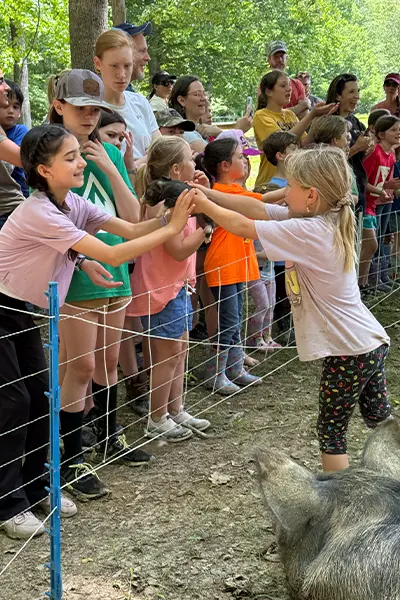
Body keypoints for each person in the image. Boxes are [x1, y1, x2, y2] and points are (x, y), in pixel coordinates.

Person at [0, 124, 193, 536]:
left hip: (19, 308)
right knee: (14, 401)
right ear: (43, 170)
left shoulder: (71, 202)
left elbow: (131, 229)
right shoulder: (39, 211)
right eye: (70, 158)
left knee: (40, 395)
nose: (80, 163)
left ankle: (36, 487)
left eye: (79, 155)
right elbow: (112, 253)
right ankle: (8, 503)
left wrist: (171, 213)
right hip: (1, 307)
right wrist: (171, 228)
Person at [192, 145, 391, 473]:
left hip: (349, 350)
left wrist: (203, 205)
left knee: (331, 434)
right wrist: (208, 193)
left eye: (291, 187)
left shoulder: (309, 229)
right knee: (380, 422)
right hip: (368, 343)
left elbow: (244, 226)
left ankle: (339, 500)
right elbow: (253, 207)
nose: (285, 193)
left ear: (311, 195)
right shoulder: (322, 217)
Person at [47, 69, 154, 496]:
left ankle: (110, 437)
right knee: (80, 366)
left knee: (108, 362)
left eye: (95, 108)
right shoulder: (52, 155)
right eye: (81, 107)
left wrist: (111, 167)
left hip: (116, 272)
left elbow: (133, 217)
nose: (90, 115)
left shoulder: (106, 151)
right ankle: (70, 459)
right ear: (59, 107)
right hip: (76, 275)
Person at [130, 136, 211, 440]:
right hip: (160, 290)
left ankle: (175, 409)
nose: (195, 161)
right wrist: (206, 231)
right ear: (176, 169)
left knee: (180, 351)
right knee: (167, 355)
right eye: (190, 157)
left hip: (178, 286)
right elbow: (177, 249)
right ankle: (157, 417)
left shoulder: (179, 196)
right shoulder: (162, 204)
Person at [196, 137, 278, 393]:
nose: (245, 161)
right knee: (229, 321)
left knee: (235, 318)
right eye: (240, 156)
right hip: (224, 264)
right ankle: (215, 373)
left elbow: (258, 201)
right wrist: (288, 193)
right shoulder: (223, 191)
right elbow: (260, 201)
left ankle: (234, 368)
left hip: (236, 265)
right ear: (224, 165)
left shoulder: (231, 189)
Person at [254, 70, 336, 187]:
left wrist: (317, 118)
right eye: (283, 86)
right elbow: (281, 143)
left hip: (291, 181)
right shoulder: (261, 115)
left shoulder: (290, 115)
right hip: (270, 184)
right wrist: (311, 115)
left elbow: (304, 143)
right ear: (268, 91)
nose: (289, 89)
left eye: (289, 85)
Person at [257, 131, 299, 344]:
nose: (298, 152)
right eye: (294, 149)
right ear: (280, 155)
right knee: (281, 294)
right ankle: (279, 330)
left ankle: (290, 328)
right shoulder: (271, 187)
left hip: (295, 252)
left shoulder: (300, 183)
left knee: (294, 293)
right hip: (279, 256)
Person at [94, 29, 160, 161]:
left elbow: (160, 148)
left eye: (127, 65)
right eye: (114, 66)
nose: (122, 74)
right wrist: (143, 161)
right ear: (98, 63)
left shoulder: (140, 102)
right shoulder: (88, 108)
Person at [361, 116, 400, 295]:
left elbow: (386, 180)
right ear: (381, 134)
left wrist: (389, 189)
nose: (398, 133)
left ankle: (372, 281)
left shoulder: (390, 154)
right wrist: (381, 190)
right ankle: (366, 282)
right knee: (371, 244)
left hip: (382, 200)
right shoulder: (375, 152)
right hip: (369, 203)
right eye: (393, 130)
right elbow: (363, 180)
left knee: (380, 239)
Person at [326, 73, 374, 214]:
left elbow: (357, 160)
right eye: (351, 92)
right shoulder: (326, 123)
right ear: (338, 96)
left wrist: (367, 150)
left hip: (358, 188)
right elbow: (326, 163)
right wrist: (356, 148)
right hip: (338, 193)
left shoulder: (357, 123)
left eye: (358, 91)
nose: (357, 96)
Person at [0, 69, 24, 229]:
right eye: (0, 81)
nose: (6, 87)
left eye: (16, 107)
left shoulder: (19, 131)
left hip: (11, 209)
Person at [0, 80, 29, 196]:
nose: (11, 111)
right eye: (5, 106)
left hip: (18, 193)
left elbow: (9, 166)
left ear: (20, 112)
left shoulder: (20, 131)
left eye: (15, 107)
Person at [266, 41, 308, 116]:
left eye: (282, 56)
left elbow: (304, 114)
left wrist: (280, 114)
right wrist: (301, 106)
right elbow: (267, 115)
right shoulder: (265, 85)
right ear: (269, 60)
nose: (280, 60)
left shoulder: (297, 84)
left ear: (286, 59)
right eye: (276, 57)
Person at [97, 109, 135, 186]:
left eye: (121, 139)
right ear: (94, 131)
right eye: (111, 135)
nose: (118, 143)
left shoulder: (118, 162)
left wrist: (129, 165)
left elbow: (130, 191)